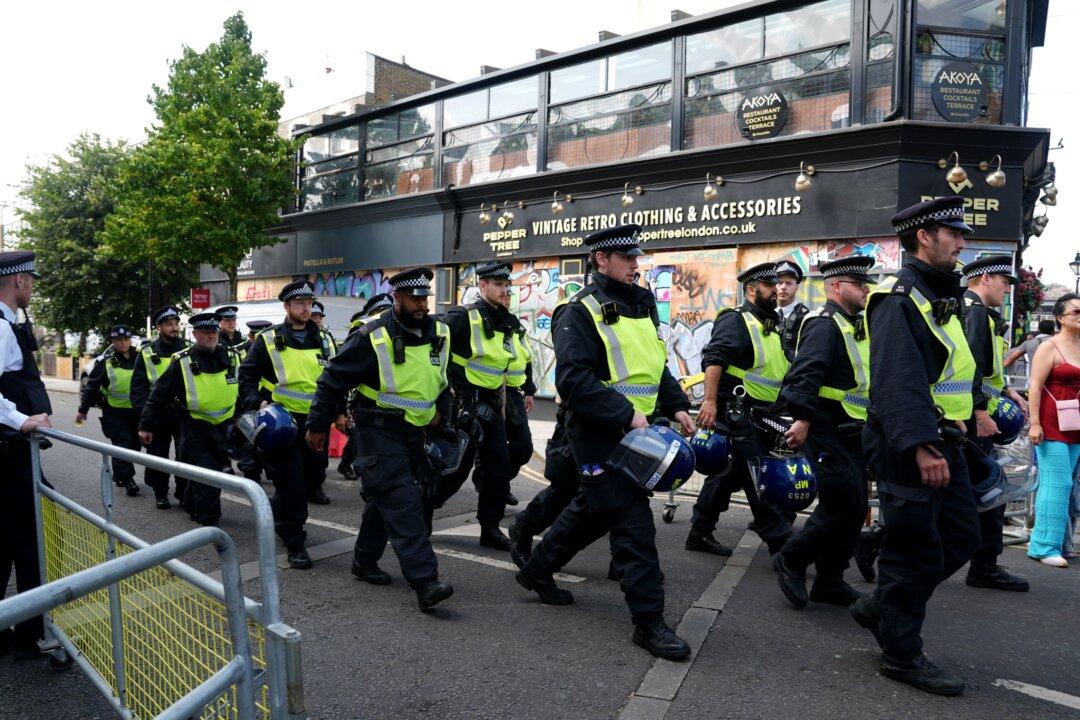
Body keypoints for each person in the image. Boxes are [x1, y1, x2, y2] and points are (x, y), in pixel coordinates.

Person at [516, 225, 696, 661]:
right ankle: (649, 624)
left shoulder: (642, 305)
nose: (637, 264)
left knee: (594, 512)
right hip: (599, 435)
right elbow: (574, 380)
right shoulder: (578, 311)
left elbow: (656, 368)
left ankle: (538, 569)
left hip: (638, 433)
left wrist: (676, 406)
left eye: (637, 258)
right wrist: (625, 413)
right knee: (633, 526)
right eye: (627, 258)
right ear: (601, 260)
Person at [851, 196, 980, 696]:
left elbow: (949, 371)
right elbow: (896, 381)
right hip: (912, 444)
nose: (963, 242)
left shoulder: (937, 293)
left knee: (962, 535)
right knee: (914, 550)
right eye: (954, 233)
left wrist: (969, 418)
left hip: (946, 439)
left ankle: (882, 604)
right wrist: (923, 446)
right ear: (925, 236)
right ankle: (900, 655)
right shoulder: (899, 297)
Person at [305, 267, 455, 611]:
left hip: (416, 432)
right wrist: (317, 425)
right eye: (414, 299)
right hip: (377, 430)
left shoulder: (441, 333)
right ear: (397, 298)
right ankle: (425, 581)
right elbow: (331, 380)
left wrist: (443, 416)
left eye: (424, 299)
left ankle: (363, 560)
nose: (421, 305)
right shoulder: (372, 336)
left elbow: (444, 380)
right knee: (404, 502)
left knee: (384, 499)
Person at [773, 256, 875, 609]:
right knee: (839, 505)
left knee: (855, 505)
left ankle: (830, 580)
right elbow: (807, 372)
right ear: (836, 287)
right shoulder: (824, 323)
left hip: (853, 428)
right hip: (826, 426)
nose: (865, 289)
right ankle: (792, 558)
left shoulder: (855, 325)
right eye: (859, 284)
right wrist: (801, 418)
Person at [689, 262, 792, 556]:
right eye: (770, 285)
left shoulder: (770, 324)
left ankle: (699, 532)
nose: (777, 290)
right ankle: (782, 545)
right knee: (758, 475)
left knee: (729, 474)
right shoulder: (736, 320)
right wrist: (708, 401)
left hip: (764, 413)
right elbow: (714, 359)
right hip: (739, 411)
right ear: (751, 289)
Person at [239, 280, 334, 569]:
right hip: (282, 422)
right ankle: (295, 543)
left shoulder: (324, 339)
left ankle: (279, 515)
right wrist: (257, 403)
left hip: (315, 421)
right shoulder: (268, 339)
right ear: (287, 307)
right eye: (299, 304)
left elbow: (334, 377)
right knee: (291, 483)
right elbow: (247, 374)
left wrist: (340, 411)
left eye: (308, 303)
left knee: (308, 479)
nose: (305, 308)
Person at [445, 261, 536, 550]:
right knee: (455, 469)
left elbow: (518, 359)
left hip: (494, 402)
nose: (505, 290)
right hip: (465, 402)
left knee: (498, 467)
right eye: (498, 285)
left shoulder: (507, 321)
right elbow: (435, 347)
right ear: (482, 286)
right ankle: (422, 511)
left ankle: (490, 526)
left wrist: (525, 388)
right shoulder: (463, 318)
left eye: (507, 285)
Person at [960, 256, 1029, 591]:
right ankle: (984, 566)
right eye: (1004, 281)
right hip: (973, 420)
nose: (1007, 289)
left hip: (973, 415)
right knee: (989, 489)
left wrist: (1008, 390)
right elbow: (968, 366)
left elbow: (986, 370)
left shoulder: (981, 314)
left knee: (972, 490)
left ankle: (879, 542)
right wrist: (979, 412)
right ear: (985, 278)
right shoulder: (973, 312)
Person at [0, 251, 53, 661]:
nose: (32, 287)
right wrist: (21, 420)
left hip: (9, 456)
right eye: (30, 280)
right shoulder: (0, 327)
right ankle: (31, 635)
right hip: (8, 456)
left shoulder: (9, 324)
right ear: (18, 281)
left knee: (4, 547)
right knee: (34, 543)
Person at [139, 313, 241, 527]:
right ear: (194, 334)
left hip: (224, 428)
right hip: (195, 429)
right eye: (205, 332)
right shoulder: (183, 361)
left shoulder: (232, 357)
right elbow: (159, 394)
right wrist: (146, 425)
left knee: (212, 471)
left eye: (214, 331)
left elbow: (241, 388)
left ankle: (191, 503)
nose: (211, 336)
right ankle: (209, 523)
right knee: (208, 474)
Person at [1026, 293, 1080, 567]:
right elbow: (1034, 386)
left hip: (1076, 423)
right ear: (1059, 318)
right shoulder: (1049, 347)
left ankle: (1054, 543)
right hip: (1051, 422)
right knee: (1058, 483)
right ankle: (1044, 546)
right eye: (1076, 312)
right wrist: (1034, 423)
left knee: (1068, 485)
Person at [131, 305, 191, 509]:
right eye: (169, 324)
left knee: (185, 455)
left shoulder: (188, 348)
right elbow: (138, 391)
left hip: (183, 413)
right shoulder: (147, 353)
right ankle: (160, 493)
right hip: (157, 416)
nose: (174, 328)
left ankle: (183, 492)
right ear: (158, 327)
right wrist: (144, 422)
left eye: (176, 323)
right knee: (158, 456)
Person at [76, 325, 141, 497]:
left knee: (135, 446)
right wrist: (83, 410)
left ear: (130, 340)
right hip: (114, 412)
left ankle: (120, 474)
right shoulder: (105, 362)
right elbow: (91, 388)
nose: (122, 342)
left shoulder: (141, 359)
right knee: (123, 444)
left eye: (126, 339)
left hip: (137, 411)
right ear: (112, 342)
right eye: (118, 340)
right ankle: (128, 480)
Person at [337, 293, 396, 480]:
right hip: (362, 396)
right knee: (358, 437)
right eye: (381, 311)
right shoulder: (363, 331)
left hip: (388, 401)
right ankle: (348, 464)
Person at [775, 259, 811, 362]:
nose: (783, 287)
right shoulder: (766, 315)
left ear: (797, 287)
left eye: (789, 283)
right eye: (779, 283)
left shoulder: (807, 318)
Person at [1005, 320, 1055, 389]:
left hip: (1035, 382)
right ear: (1053, 331)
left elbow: (1011, 358)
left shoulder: (1029, 343)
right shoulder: (1059, 343)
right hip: (1055, 382)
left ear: (1039, 330)